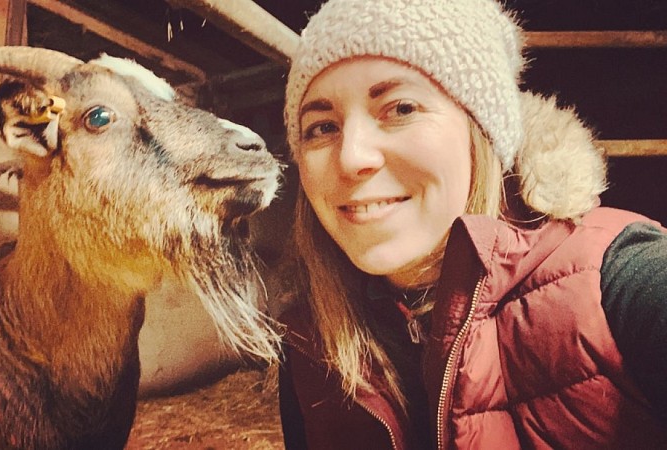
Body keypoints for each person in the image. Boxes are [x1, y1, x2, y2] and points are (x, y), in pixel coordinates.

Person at [275, 0, 667, 448]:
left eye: (401, 108)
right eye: (322, 127)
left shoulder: (619, 282)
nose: (351, 157)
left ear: (480, 129)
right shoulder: (310, 343)